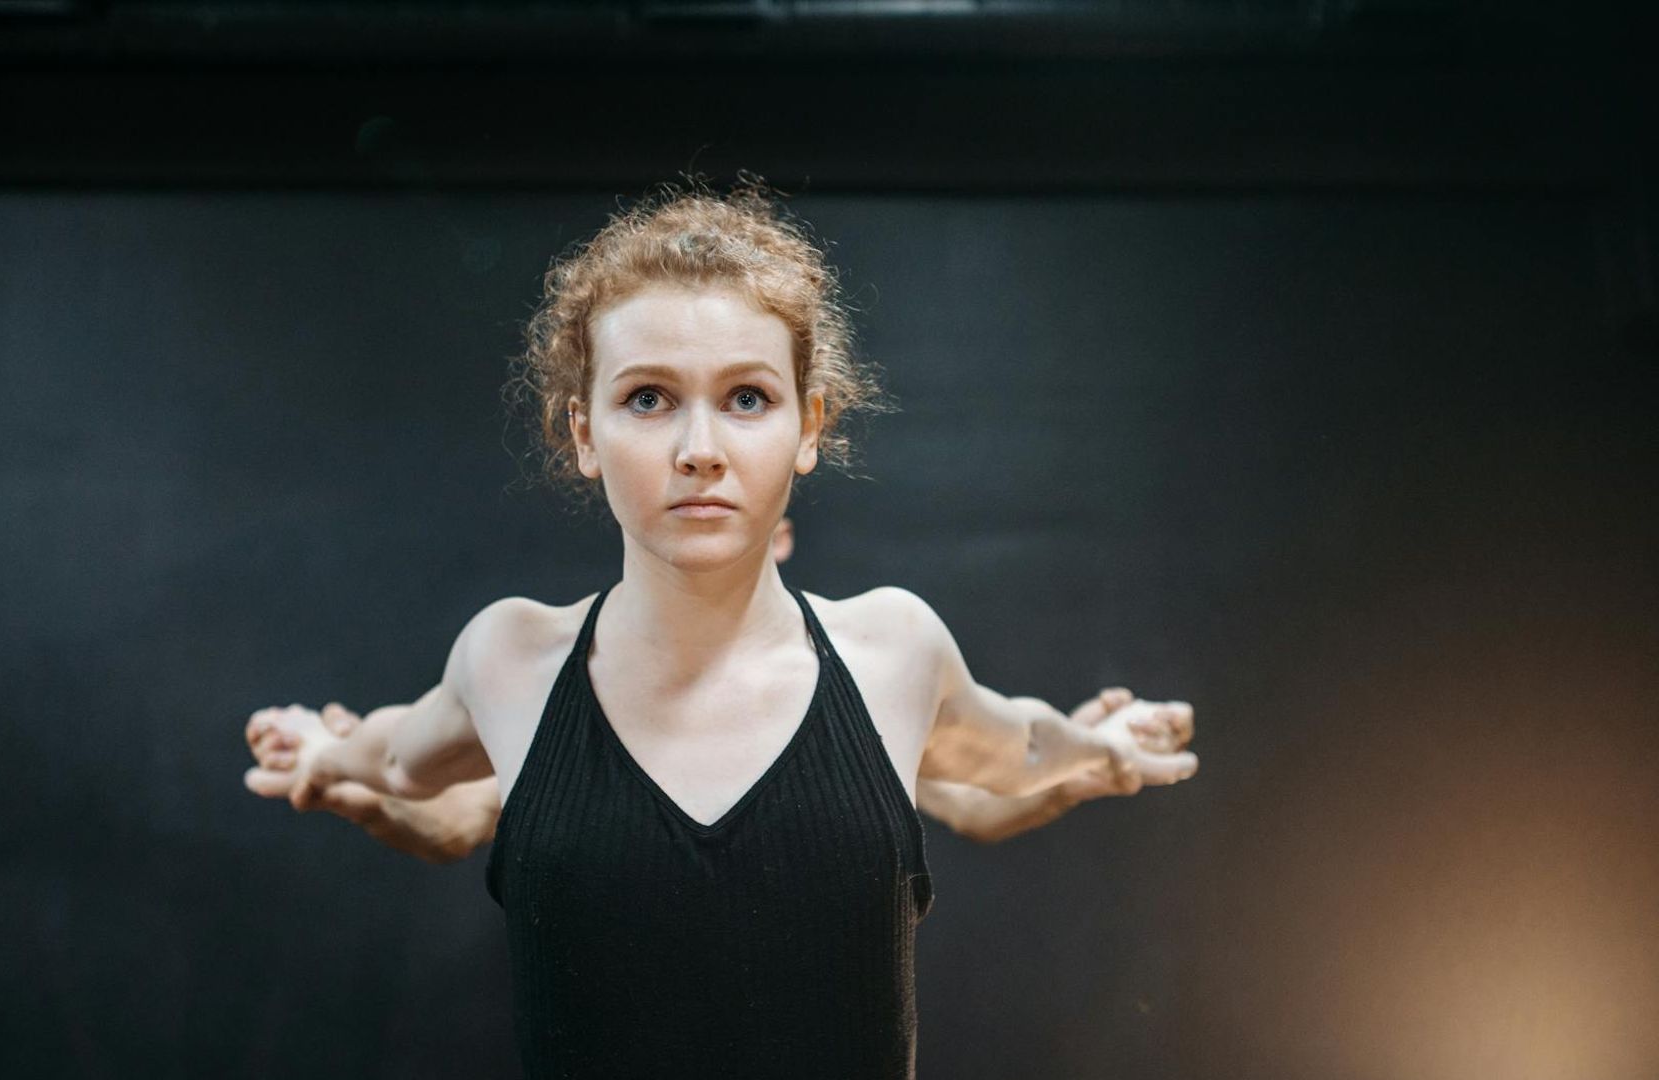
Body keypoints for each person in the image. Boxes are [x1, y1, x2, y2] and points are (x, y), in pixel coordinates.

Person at [241, 178, 1198, 1079]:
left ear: (810, 426)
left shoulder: (893, 650)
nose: (700, 451)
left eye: (747, 398)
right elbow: (403, 761)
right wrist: (328, 755)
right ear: (583, 434)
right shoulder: (511, 658)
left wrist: (1098, 747)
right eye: (648, 399)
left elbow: (1012, 750)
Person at [244, 517, 1193, 861]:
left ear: (782, 530)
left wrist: (1089, 761)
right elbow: (453, 817)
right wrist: (338, 779)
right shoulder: (557, 687)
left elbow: (983, 792)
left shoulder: (865, 682)